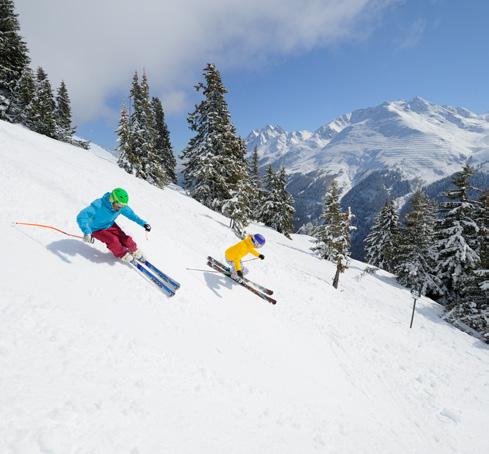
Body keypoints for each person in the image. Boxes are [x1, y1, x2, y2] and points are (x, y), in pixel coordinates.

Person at [77, 188, 151, 262]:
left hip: (110, 225)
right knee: (113, 240)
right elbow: (81, 216)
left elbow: (132, 215)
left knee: (124, 238)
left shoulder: (120, 207)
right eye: (119, 205)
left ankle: (134, 250)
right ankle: (122, 254)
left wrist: (144, 223)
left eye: (123, 205)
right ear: (112, 200)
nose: (120, 208)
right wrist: (87, 232)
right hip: (96, 229)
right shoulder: (99, 205)